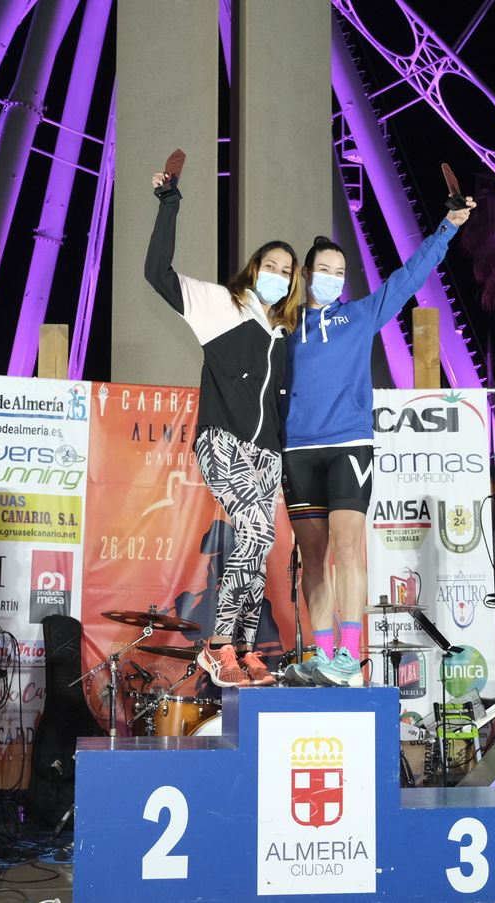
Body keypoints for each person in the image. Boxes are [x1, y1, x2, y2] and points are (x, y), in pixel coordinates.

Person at [282, 197, 476, 688]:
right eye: (323, 269)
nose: (332, 277)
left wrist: (446, 228)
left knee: (347, 549)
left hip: (349, 444)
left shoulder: (361, 315)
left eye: (339, 271)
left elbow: (408, 278)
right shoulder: (282, 328)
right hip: (297, 451)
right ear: (305, 274)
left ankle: (348, 654)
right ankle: (323, 658)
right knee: (312, 559)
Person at [145, 164, 306, 688]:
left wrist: (284, 463)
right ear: (255, 267)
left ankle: (241, 646)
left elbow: (282, 408)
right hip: (223, 441)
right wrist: (169, 203)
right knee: (256, 531)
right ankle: (218, 644)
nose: (279, 274)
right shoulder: (222, 305)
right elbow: (158, 274)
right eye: (272, 265)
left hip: (267, 456)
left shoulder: (283, 334)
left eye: (288, 270)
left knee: (257, 549)